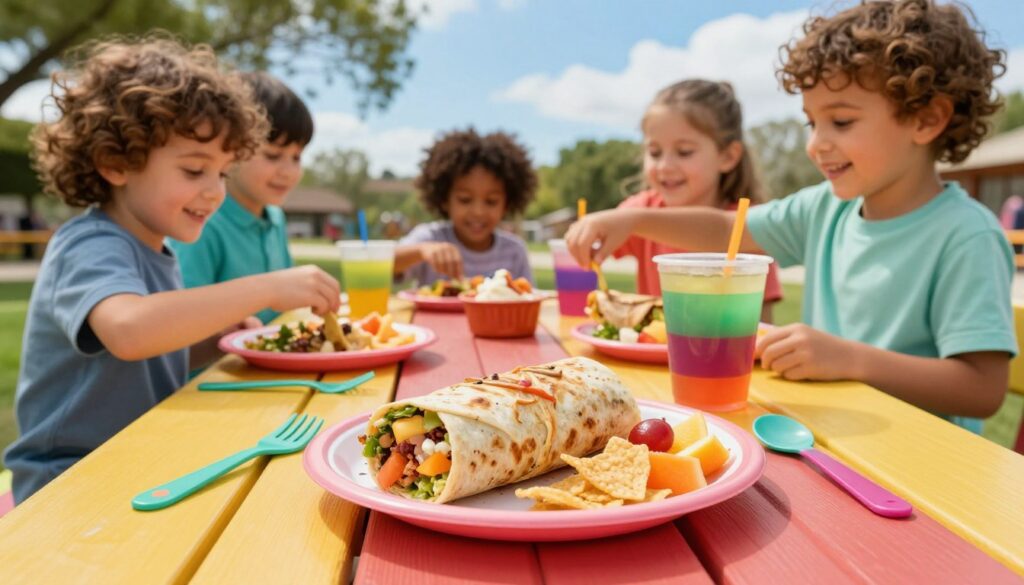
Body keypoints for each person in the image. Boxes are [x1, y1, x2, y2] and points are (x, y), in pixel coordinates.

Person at [565, 0, 1013, 431]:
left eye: (840, 122)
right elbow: (725, 230)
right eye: (810, 123)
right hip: (824, 438)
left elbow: (981, 388)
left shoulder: (966, 235)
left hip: (921, 466)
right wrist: (631, 220)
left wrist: (850, 359)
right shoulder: (825, 208)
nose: (815, 144)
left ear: (926, 119)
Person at [3, 36, 341, 503]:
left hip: (141, 460)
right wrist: (263, 289)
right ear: (116, 162)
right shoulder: (89, 244)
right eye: (193, 170)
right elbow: (129, 332)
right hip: (67, 482)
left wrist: (211, 342)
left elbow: (137, 362)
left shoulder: (156, 249)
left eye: (222, 173)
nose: (214, 192)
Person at [613, 79, 782, 320]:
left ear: (727, 156)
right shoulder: (641, 210)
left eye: (684, 152)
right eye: (654, 152)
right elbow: (588, 254)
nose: (665, 166)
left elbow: (762, 325)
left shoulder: (746, 228)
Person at [170, 72, 313, 324]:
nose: (288, 171)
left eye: (296, 157)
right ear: (232, 152)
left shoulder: (275, 219)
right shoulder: (202, 223)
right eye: (273, 155)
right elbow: (179, 321)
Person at [395, 128, 536, 285]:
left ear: (506, 204)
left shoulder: (514, 251)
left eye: (491, 201)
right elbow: (384, 263)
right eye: (465, 199)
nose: (478, 212)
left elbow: (528, 298)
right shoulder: (430, 238)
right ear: (444, 199)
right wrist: (421, 251)